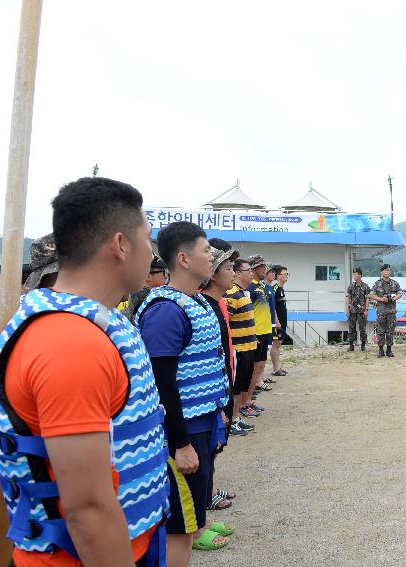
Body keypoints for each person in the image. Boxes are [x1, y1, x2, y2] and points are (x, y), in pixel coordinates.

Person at [0, 177, 169, 566]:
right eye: (148, 239)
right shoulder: (69, 342)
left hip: (138, 543)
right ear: (121, 245)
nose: (151, 253)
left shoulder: (102, 324)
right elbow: (87, 508)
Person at [136, 221, 230, 563]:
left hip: (201, 424)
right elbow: (162, 383)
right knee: (180, 528)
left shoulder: (198, 303)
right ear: (184, 258)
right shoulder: (166, 311)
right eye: (206, 251)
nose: (213, 257)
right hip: (183, 433)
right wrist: (180, 443)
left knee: (190, 523)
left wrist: (218, 408)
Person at [199, 244, 239, 512]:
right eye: (228, 268)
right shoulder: (206, 306)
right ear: (213, 274)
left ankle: (209, 487)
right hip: (214, 389)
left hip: (224, 382)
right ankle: (205, 494)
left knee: (217, 444)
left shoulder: (216, 303)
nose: (234, 273)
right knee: (209, 446)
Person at [224, 258, 258, 437]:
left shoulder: (242, 293)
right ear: (238, 273)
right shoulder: (231, 293)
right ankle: (232, 420)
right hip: (238, 349)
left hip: (248, 346)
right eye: (248, 270)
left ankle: (236, 418)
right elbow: (225, 322)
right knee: (236, 388)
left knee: (242, 386)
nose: (251, 273)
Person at [245, 255, 274, 406]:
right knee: (253, 366)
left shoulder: (261, 286)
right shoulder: (250, 287)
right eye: (262, 267)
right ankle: (247, 400)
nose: (265, 269)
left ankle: (252, 393)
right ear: (255, 268)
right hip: (256, 332)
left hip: (265, 330)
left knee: (260, 364)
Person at [369, 263, 402, 358]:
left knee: (390, 330)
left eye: (388, 270)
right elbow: (371, 295)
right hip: (381, 311)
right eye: (385, 270)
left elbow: (400, 293)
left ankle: (389, 350)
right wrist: (380, 299)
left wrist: (393, 298)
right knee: (380, 330)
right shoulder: (377, 283)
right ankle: (380, 350)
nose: (387, 272)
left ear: (390, 272)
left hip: (391, 311)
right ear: (381, 272)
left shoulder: (394, 283)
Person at [123, 254, 167, 322]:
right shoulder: (146, 296)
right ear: (148, 276)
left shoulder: (130, 291)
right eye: (163, 273)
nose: (165, 277)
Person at [269, 265, 289, 375]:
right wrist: (276, 321)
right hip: (278, 323)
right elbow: (273, 307)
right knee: (275, 345)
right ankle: (276, 369)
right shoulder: (274, 289)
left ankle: (278, 367)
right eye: (284, 274)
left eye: (287, 274)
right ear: (278, 276)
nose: (287, 276)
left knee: (278, 345)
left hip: (283, 321)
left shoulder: (281, 289)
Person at [345, 267, 370, 352]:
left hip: (362, 311)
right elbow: (349, 298)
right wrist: (347, 309)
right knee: (351, 327)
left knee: (362, 328)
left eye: (355, 274)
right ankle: (351, 345)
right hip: (352, 310)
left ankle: (363, 345)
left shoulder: (366, 286)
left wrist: (366, 309)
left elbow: (367, 299)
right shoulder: (351, 286)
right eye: (353, 274)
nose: (354, 276)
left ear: (360, 275)